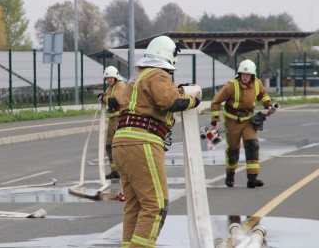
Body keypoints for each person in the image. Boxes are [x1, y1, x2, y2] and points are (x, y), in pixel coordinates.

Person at [112, 35, 201, 247]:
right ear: (168, 57)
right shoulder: (158, 75)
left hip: (121, 142)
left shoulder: (137, 76)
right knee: (156, 205)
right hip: (142, 143)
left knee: (134, 205)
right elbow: (170, 101)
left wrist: (177, 89)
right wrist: (193, 100)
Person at [210, 59, 274, 189]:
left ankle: (252, 178)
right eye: (243, 74)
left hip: (248, 121)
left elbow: (263, 95)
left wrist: (268, 106)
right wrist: (215, 121)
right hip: (232, 122)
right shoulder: (231, 85)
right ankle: (230, 174)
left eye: (247, 75)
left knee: (252, 145)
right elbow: (216, 101)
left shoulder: (257, 83)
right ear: (239, 74)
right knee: (233, 151)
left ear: (252, 75)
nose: (245, 77)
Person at [98, 66, 127, 179]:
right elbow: (108, 97)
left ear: (115, 77)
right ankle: (115, 171)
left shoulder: (120, 86)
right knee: (109, 146)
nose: (109, 80)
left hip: (119, 120)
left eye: (111, 78)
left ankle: (122, 170)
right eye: (107, 78)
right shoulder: (111, 87)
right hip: (112, 120)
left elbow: (114, 101)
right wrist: (103, 96)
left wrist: (103, 98)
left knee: (117, 146)